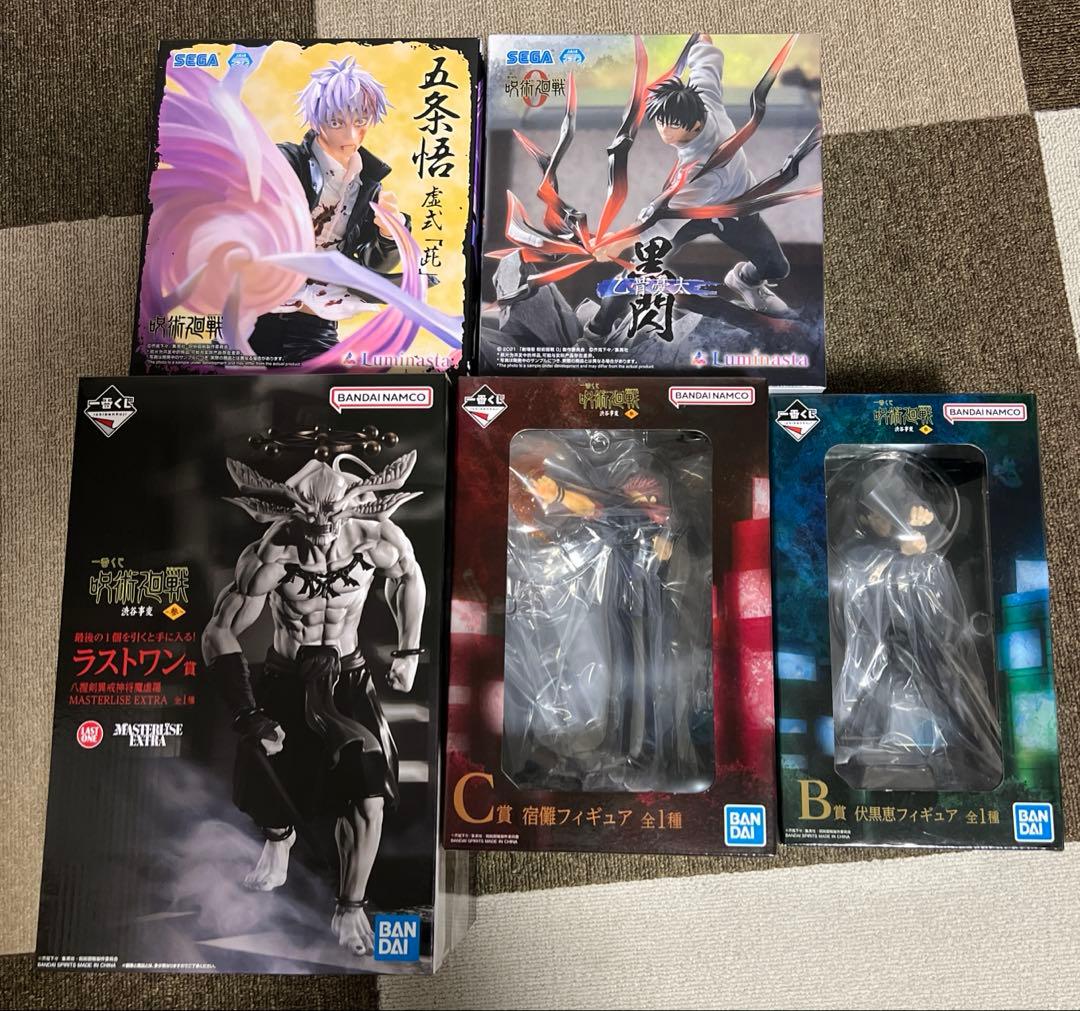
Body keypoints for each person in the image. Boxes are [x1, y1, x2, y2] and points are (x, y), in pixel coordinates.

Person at [202, 451, 425, 957]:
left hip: (347, 678)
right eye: (310, 521)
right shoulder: (272, 553)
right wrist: (248, 712)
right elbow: (218, 632)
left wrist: (409, 650)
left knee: (369, 792)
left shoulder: (376, 537)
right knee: (269, 779)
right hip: (287, 677)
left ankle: (349, 905)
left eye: (333, 519)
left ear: (353, 509)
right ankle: (278, 840)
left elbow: (409, 577)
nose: (322, 532)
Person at [248, 57, 408, 363]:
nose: (351, 135)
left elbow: (373, 262)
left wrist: (389, 235)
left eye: (360, 121)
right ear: (317, 121)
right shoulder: (286, 162)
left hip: (317, 318)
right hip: (257, 309)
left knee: (325, 386)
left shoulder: (368, 185)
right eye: (337, 122)